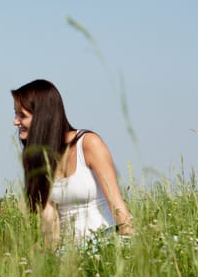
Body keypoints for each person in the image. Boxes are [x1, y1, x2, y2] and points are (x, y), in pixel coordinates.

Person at [11, 79, 133, 245]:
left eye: (22, 115)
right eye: (15, 114)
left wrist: (129, 243)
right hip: (70, 253)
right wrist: (51, 262)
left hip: (106, 242)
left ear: (42, 117)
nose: (15, 121)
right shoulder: (36, 157)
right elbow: (49, 218)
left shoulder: (88, 143)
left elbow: (116, 201)